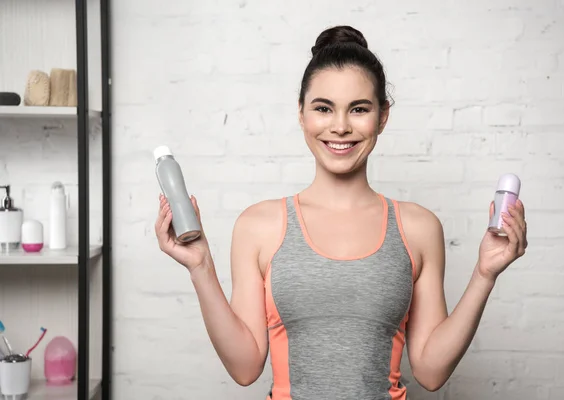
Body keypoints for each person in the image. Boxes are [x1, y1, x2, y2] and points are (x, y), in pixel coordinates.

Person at [155, 25, 528, 400]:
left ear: (382, 116)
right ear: (301, 114)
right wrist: (200, 266)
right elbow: (245, 366)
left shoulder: (418, 227)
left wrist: (484, 274)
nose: (340, 126)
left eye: (359, 109)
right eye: (323, 108)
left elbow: (431, 372)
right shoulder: (259, 226)